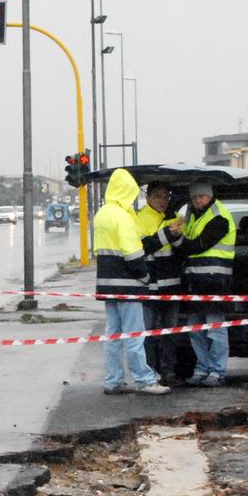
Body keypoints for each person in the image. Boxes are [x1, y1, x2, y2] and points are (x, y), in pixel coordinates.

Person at [92, 168, 169, 396]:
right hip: (128, 285)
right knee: (135, 335)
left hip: (107, 285)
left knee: (113, 335)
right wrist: (145, 277)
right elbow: (133, 254)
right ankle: (145, 380)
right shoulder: (123, 217)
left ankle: (113, 380)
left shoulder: (102, 214)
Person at [173, 178, 238, 386]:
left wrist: (181, 243)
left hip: (214, 281)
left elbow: (198, 245)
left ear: (210, 196)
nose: (198, 201)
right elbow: (189, 243)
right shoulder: (193, 216)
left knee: (215, 329)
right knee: (195, 329)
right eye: (194, 197)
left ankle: (217, 371)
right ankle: (202, 369)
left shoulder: (219, 217)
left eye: (201, 196)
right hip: (195, 281)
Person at [136, 181, 184, 385]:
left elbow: (183, 250)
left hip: (172, 285)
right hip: (149, 286)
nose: (163, 201)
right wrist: (167, 234)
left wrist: (178, 237)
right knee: (148, 334)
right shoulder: (139, 219)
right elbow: (142, 247)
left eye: (166, 196)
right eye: (158, 196)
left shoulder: (175, 218)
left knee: (170, 333)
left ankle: (168, 372)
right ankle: (150, 374)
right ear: (148, 198)